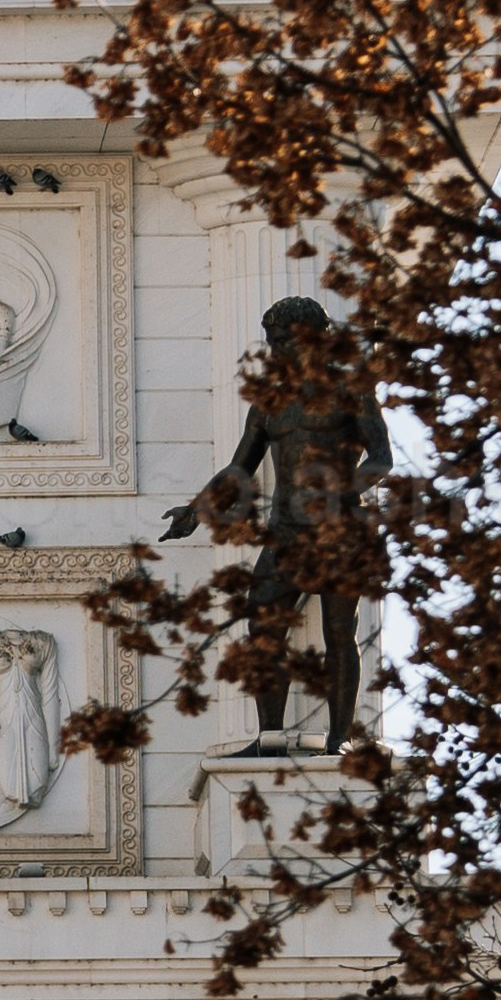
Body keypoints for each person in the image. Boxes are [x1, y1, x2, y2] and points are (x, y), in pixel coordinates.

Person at [161, 294, 390, 747]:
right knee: (263, 629)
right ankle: (270, 738)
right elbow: (238, 468)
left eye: (284, 340)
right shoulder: (269, 403)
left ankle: (339, 739)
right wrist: (198, 509)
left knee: (340, 633)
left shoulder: (351, 391)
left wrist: (341, 491)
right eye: (272, 342)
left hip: (342, 530)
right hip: (287, 533)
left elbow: (381, 459)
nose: (277, 350)